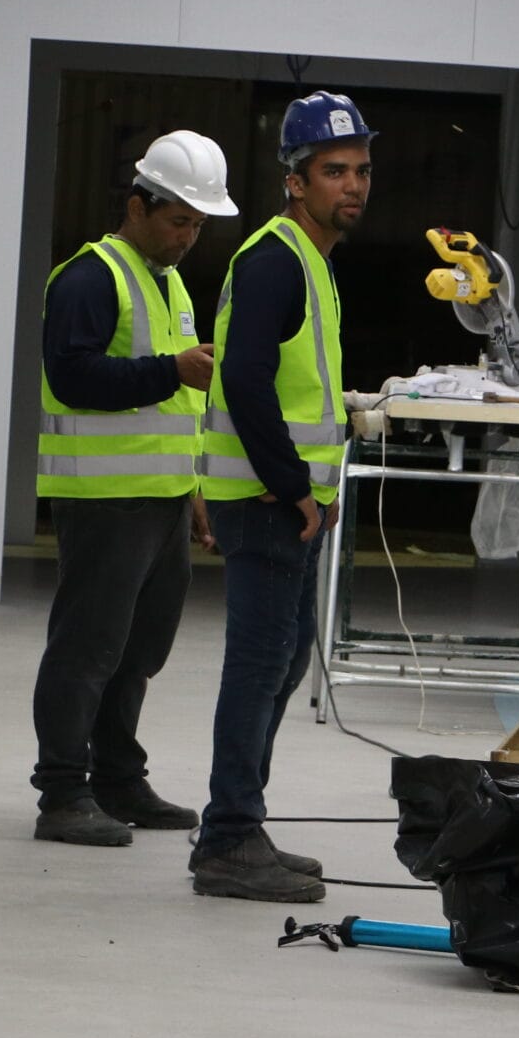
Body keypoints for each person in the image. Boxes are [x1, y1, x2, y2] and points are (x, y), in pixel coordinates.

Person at [187, 92, 373, 902]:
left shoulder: (311, 260)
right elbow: (245, 380)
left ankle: (241, 824)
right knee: (259, 665)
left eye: (360, 170)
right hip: (266, 502)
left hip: (288, 502)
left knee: (282, 661)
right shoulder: (274, 260)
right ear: (295, 181)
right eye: (334, 171)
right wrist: (295, 486)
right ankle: (228, 836)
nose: (353, 185)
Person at [29, 130, 235, 846]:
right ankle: (62, 793)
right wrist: (171, 370)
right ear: (137, 205)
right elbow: (72, 377)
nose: (188, 237)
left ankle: (118, 778)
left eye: (197, 225)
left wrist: (195, 486)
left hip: (163, 498)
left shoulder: (169, 283)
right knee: (86, 648)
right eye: (179, 220)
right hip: (104, 502)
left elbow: (176, 408)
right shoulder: (90, 278)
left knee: (138, 651)